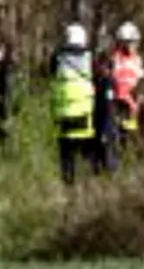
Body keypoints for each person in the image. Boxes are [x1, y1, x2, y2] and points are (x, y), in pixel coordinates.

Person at [51, 23, 97, 185]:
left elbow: (50, 77)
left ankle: (68, 188)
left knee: (67, 159)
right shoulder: (90, 58)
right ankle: (88, 189)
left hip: (63, 117)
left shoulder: (57, 58)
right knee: (87, 157)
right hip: (85, 117)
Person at [111, 21, 144, 156]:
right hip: (120, 102)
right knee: (121, 132)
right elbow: (114, 80)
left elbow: (141, 79)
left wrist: (140, 96)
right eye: (130, 42)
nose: (133, 46)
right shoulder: (115, 59)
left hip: (134, 101)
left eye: (135, 42)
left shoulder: (138, 59)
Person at [91, 50, 119, 175]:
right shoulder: (96, 80)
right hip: (96, 124)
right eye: (98, 64)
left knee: (109, 160)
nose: (98, 67)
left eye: (102, 65)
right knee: (96, 161)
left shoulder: (109, 83)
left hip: (107, 126)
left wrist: (105, 131)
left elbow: (109, 108)